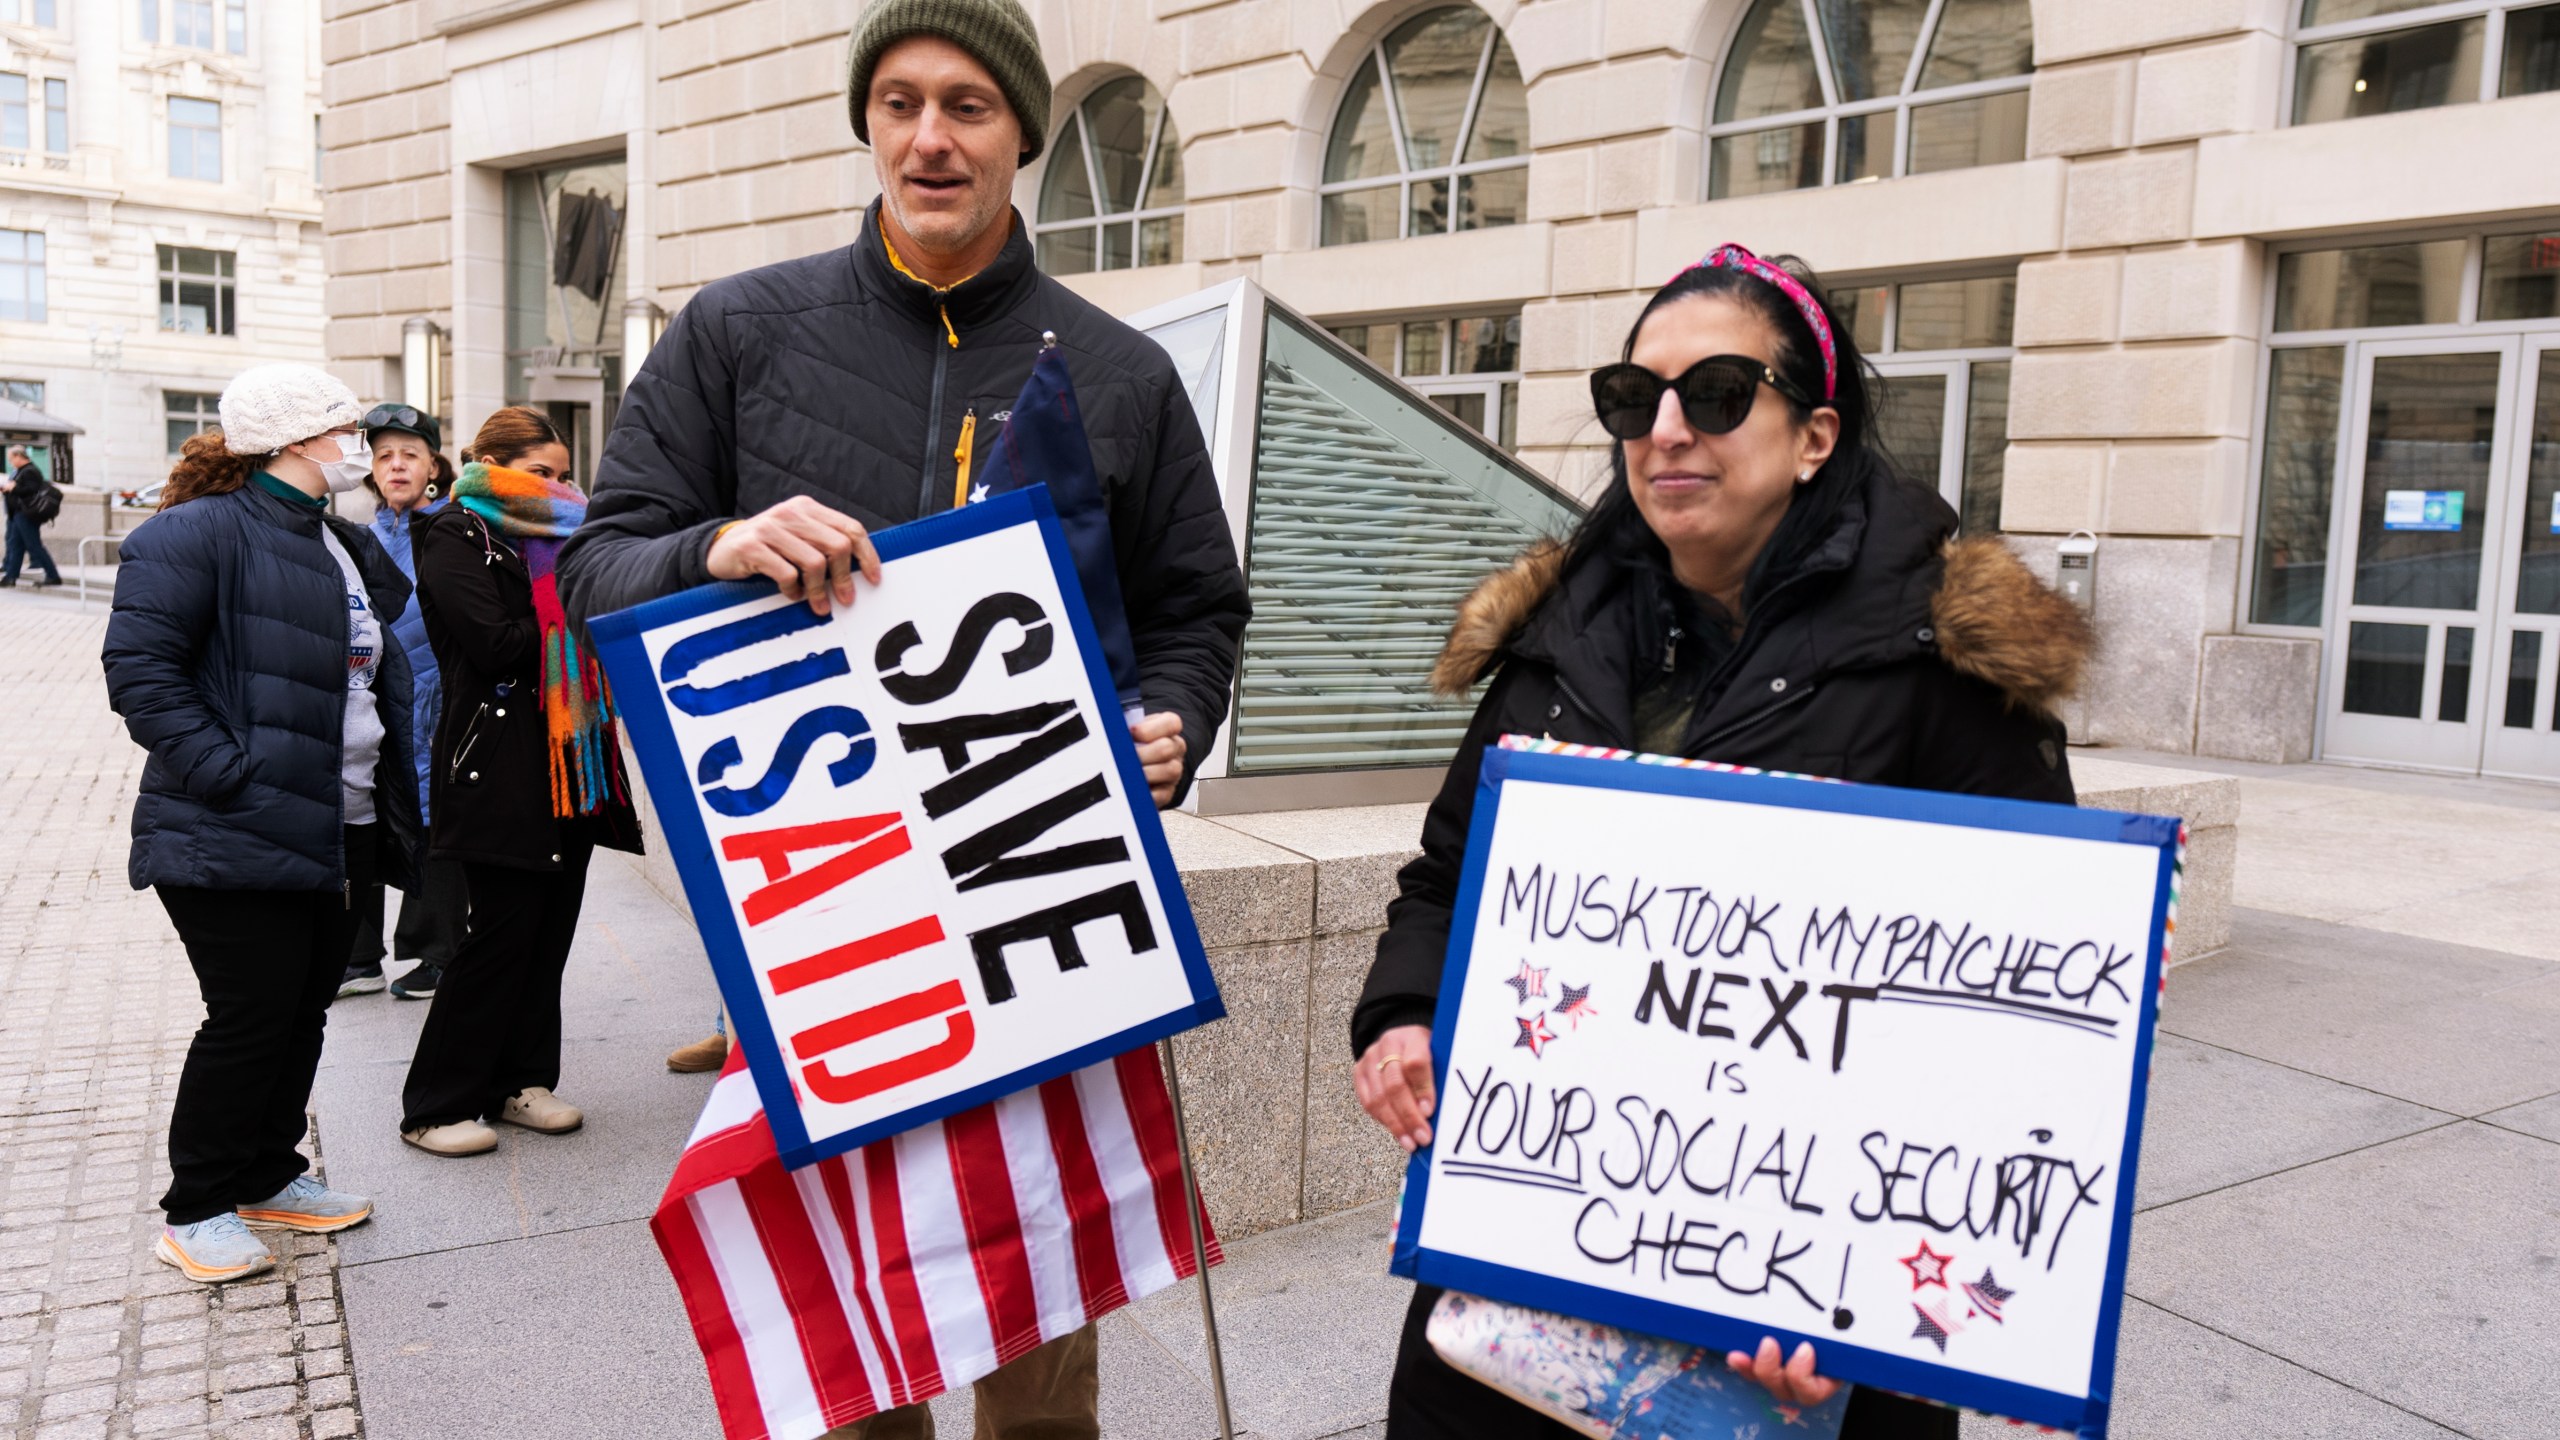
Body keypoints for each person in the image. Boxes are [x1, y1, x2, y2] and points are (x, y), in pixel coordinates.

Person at [552, 1, 1249, 1430]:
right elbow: (597, 559)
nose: (932, 137)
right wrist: (716, 546)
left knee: (1038, 1317)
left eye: (971, 106)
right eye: (902, 102)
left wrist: (1167, 719)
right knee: (853, 1325)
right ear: (868, 124)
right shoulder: (739, 331)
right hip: (833, 917)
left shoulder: (1121, 372)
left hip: (1035, 905)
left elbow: (1194, 612)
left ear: (1024, 137)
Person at [1350, 246, 2091, 1438]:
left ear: (1812, 435)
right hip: (1520, 1306)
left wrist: (1864, 1305)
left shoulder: (1943, 668)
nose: (1668, 431)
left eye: (1719, 394)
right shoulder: (1552, 639)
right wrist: (1401, 1014)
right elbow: (1447, 880)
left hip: (1795, 1328)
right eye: (1634, 399)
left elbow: (2009, 1032)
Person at [102, 364, 419, 1283]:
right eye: (346, 425)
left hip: (336, 819)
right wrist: (231, 776)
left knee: (302, 1011)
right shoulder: (193, 534)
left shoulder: (335, 539)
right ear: (293, 441)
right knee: (248, 1016)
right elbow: (142, 675)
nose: (359, 441)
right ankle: (196, 1206)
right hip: (229, 828)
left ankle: (267, 1174)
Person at [398, 406, 644, 1158]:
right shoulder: (455, 532)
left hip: (571, 761)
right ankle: (436, 1104)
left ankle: (521, 1081)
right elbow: (499, 644)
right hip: (497, 763)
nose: (558, 487)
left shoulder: (567, 536)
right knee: (499, 938)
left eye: (565, 475)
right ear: (492, 464)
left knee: (548, 936)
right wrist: (587, 614)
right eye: (542, 473)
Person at [339, 405, 471, 1002]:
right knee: (360, 816)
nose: (396, 465)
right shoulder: (362, 534)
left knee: (431, 819)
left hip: (435, 702)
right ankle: (359, 956)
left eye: (410, 455)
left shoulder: (452, 528)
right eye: (385, 455)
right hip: (374, 703)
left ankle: (439, 952)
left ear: (434, 467)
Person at [2, 443, 63, 588]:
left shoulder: (30, 471)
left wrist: (14, 487)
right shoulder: (23, 471)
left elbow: (31, 490)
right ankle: (10, 577)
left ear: (18, 456)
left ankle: (53, 575)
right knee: (15, 545)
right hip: (19, 514)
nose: (11, 462)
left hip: (27, 515)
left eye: (11, 459)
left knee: (34, 546)